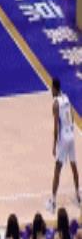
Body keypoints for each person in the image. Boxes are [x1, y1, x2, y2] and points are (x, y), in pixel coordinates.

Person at [46, 78, 80, 213]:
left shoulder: (55, 104)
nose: (51, 91)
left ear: (55, 88)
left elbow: (56, 127)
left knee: (57, 169)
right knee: (74, 165)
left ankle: (53, 202)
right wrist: (70, 129)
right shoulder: (66, 98)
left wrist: (54, 145)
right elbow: (72, 116)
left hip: (64, 138)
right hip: (71, 134)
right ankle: (78, 196)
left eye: (51, 88)